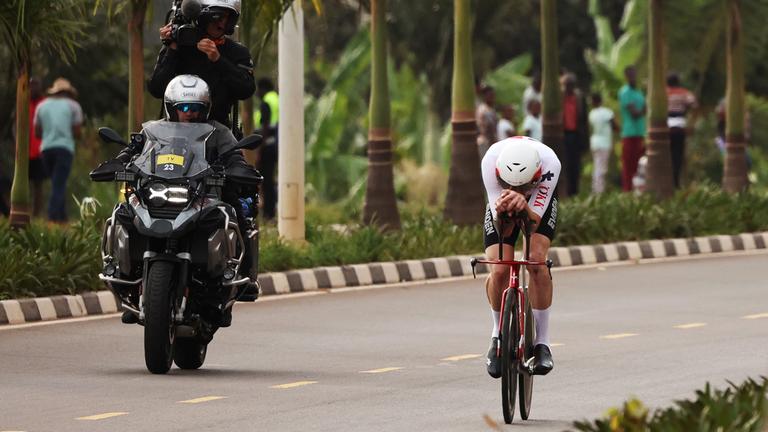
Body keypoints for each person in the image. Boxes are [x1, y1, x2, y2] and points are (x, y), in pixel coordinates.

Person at [97, 75, 261, 313]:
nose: (190, 113)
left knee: (234, 212)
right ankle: (122, 271)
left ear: (206, 108)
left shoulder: (219, 132)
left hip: (202, 196)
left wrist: (239, 168)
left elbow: (234, 156)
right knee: (123, 211)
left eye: (196, 108)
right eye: (183, 107)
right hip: (158, 192)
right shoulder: (152, 131)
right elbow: (132, 151)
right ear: (170, 108)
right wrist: (116, 163)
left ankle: (244, 276)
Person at [481, 136, 561, 379]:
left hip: (537, 203)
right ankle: (497, 335)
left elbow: (533, 223)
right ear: (499, 175)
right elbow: (501, 225)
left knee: (536, 260)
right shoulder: (490, 162)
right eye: (509, 184)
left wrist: (525, 205)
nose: (515, 190)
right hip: (501, 205)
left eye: (521, 186)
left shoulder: (550, 165)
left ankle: (542, 343)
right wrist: (508, 204)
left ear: (535, 177)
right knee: (499, 268)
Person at [148, 0, 255, 130]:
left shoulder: (237, 51)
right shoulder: (180, 46)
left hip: (218, 134)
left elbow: (246, 90)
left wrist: (218, 60)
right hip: (176, 133)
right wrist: (172, 49)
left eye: (226, 17)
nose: (222, 23)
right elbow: (156, 89)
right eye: (217, 17)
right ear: (202, 18)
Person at [34, 77, 83, 223]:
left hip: (46, 149)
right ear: (68, 92)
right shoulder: (73, 106)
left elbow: (37, 132)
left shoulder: (42, 106)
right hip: (64, 148)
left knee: (57, 182)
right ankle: (53, 217)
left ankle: (62, 217)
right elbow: (77, 132)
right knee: (59, 183)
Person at [617, 65, 646, 192]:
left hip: (640, 133)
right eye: (630, 75)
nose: (633, 77)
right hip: (629, 133)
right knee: (628, 166)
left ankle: (636, 190)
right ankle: (627, 190)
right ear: (626, 77)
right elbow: (635, 113)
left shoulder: (639, 93)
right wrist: (642, 110)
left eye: (634, 74)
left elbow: (644, 110)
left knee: (638, 165)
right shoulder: (625, 92)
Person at [666, 73, 697, 188]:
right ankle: (676, 182)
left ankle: (670, 181)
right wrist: (691, 124)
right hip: (680, 125)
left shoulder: (663, 93)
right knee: (678, 155)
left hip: (665, 127)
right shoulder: (684, 93)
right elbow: (694, 106)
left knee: (666, 156)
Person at [254, 78, 279, 220]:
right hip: (275, 145)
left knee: (266, 181)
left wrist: (258, 151)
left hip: (267, 146)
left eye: (259, 89)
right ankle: (271, 211)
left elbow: (265, 127)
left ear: (263, 89)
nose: (257, 93)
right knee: (270, 180)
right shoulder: (277, 99)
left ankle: (268, 214)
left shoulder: (266, 102)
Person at [561, 72, 589, 196]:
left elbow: (584, 119)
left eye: (571, 85)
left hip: (576, 134)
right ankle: (565, 190)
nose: (569, 87)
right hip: (563, 135)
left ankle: (574, 191)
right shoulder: (559, 97)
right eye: (567, 85)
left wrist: (585, 140)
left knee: (575, 165)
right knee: (564, 164)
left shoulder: (579, 98)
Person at [588, 93, 617, 194]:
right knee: (601, 168)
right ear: (601, 100)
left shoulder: (592, 113)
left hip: (594, 142)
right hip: (604, 143)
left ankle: (597, 188)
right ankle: (598, 190)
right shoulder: (607, 112)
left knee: (597, 165)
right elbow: (614, 125)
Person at [28, 78, 47, 217]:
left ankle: (36, 214)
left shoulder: (44, 103)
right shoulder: (22, 102)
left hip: (40, 150)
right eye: (31, 85)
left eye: (36, 85)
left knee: (38, 184)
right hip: (24, 152)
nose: (33, 88)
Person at [476, 85, 499, 158]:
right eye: (490, 95)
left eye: (493, 95)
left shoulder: (491, 109)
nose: (492, 97)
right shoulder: (483, 110)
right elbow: (486, 127)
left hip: (491, 141)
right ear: (484, 96)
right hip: (485, 142)